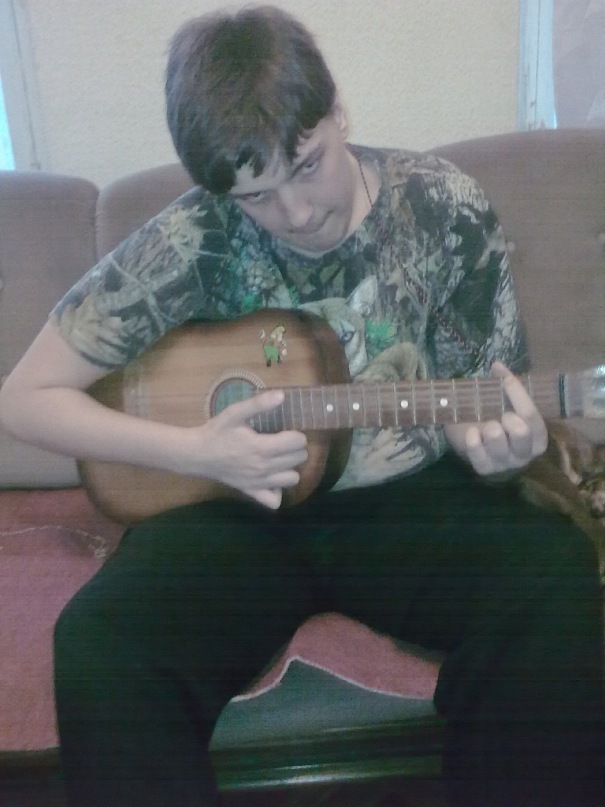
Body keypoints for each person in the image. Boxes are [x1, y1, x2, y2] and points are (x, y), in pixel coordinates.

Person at [0, 6, 603, 806]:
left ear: (336, 112)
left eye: (307, 164)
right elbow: (24, 398)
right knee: (101, 639)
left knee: (551, 580)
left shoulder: (442, 205)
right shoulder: (191, 237)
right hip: (234, 509)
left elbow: (482, 399)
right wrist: (197, 452)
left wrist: (499, 451)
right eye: (256, 196)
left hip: (407, 503)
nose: (294, 212)